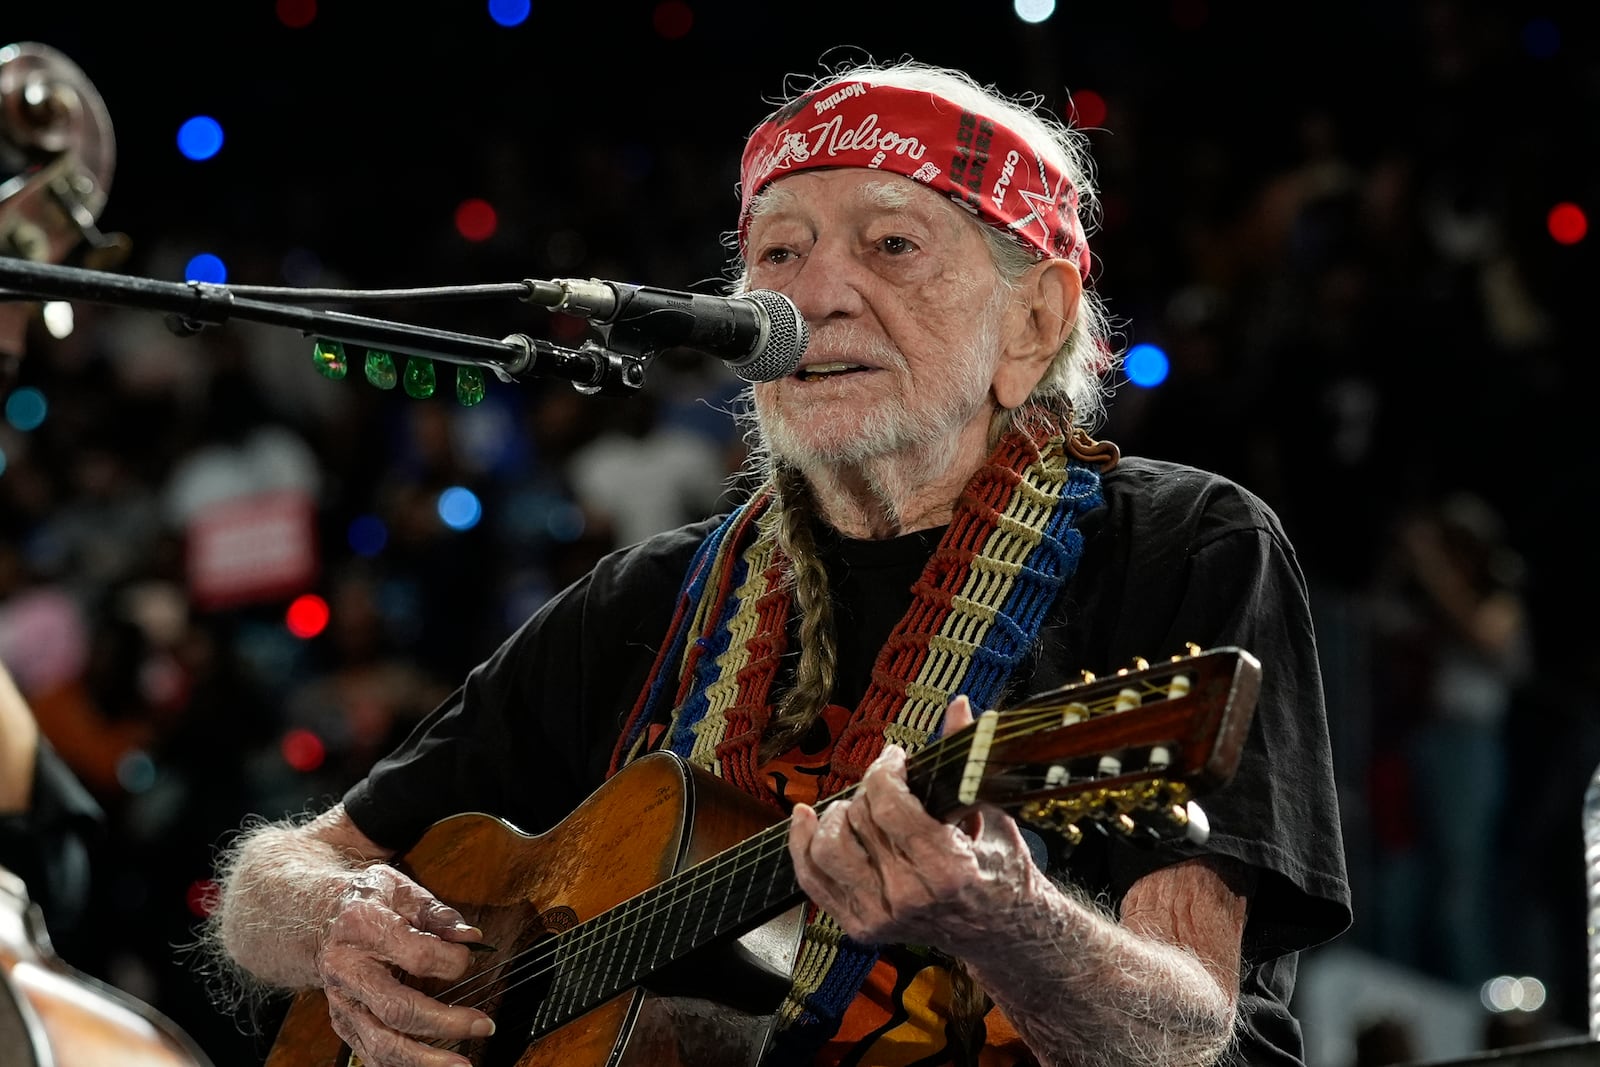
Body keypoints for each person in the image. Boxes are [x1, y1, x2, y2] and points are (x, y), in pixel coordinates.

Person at [202, 59, 1352, 1067]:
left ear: (1034, 322)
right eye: (778, 251)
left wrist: (1011, 925)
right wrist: (342, 919)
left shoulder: (1184, 547)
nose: (812, 293)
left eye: (893, 244)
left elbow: (1187, 1034)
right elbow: (267, 883)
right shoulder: (648, 598)